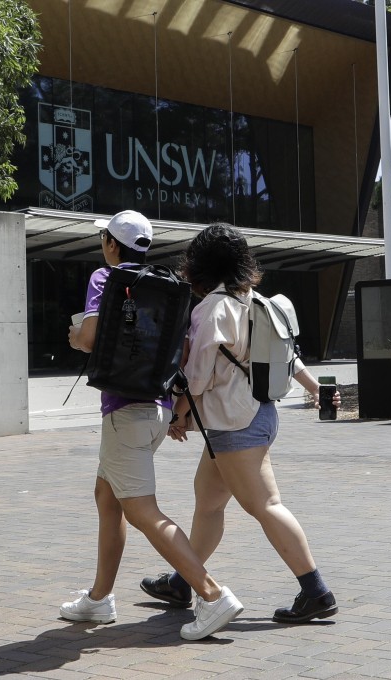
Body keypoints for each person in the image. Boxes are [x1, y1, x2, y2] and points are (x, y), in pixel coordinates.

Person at [139, 222, 338, 625]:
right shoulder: (256, 300)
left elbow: (197, 376)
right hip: (258, 415)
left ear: (200, 265)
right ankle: (182, 581)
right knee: (209, 501)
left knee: (265, 505)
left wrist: (178, 415)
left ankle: (315, 590)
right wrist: (316, 387)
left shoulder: (212, 308)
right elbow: (287, 358)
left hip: (235, 424)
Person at [62, 210, 243, 641]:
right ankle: (99, 598)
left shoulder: (105, 278)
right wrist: (179, 407)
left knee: (142, 510)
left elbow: (87, 339)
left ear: (111, 244)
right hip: (158, 410)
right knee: (108, 496)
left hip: (124, 411)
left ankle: (212, 595)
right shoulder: (168, 288)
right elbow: (181, 351)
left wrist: (73, 337)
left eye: (104, 239)